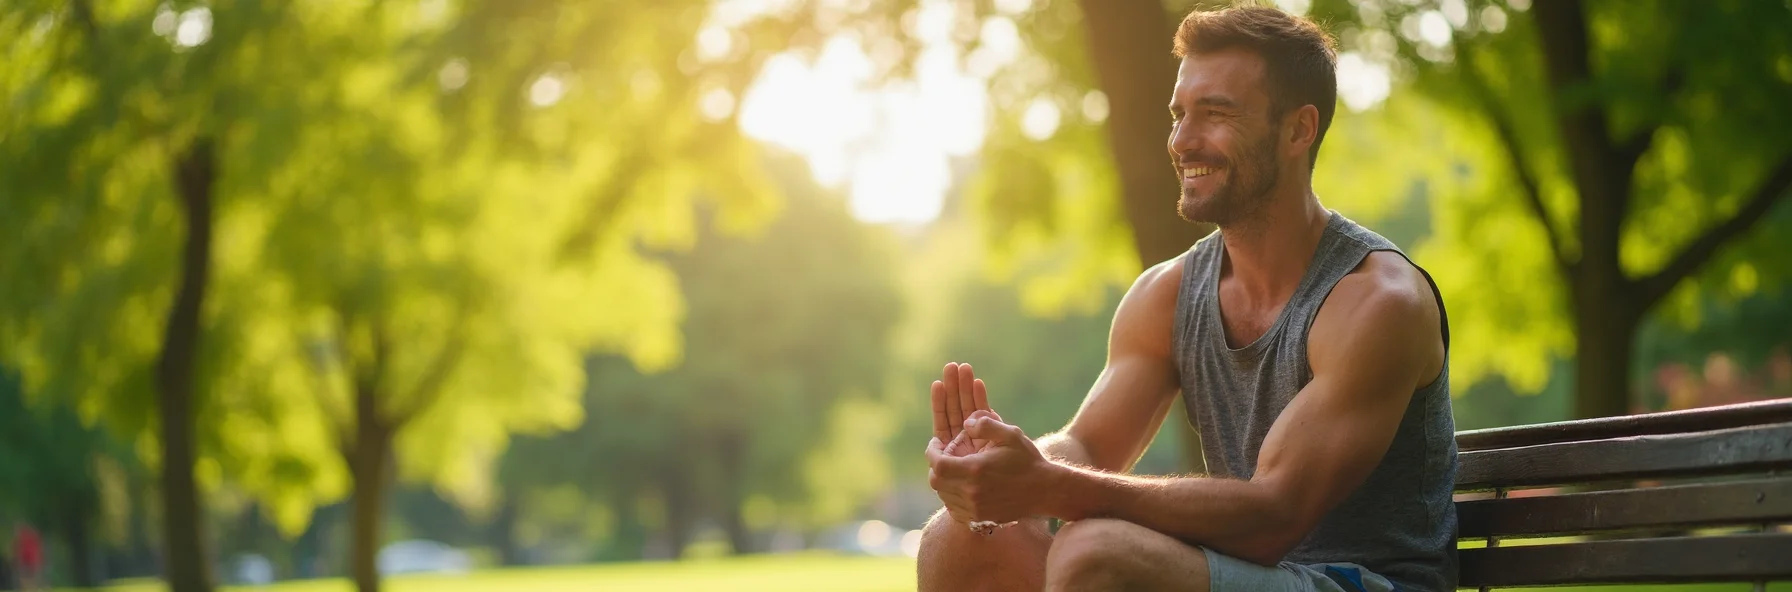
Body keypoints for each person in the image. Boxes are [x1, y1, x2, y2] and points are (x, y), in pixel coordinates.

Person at [916, 5, 1456, 592]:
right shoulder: (1167, 294)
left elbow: (1274, 515)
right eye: (1179, 114)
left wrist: (1049, 485)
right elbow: (1088, 445)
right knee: (956, 537)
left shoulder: (1376, 302)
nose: (1182, 140)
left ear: (1298, 130)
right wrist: (1002, 461)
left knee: (1095, 553)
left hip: (1363, 582)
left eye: (1215, 113)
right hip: (1252, 573)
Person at [12, 524, 43, 592]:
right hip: (27, 560)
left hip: (29, 560)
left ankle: (30, 589)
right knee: (26, 577)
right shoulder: (24, 538)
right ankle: (29, 589)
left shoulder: (25, 537)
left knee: (28, 577)